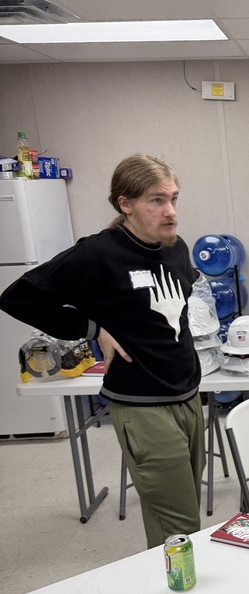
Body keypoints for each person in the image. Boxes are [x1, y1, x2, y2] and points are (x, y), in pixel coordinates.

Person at [0, 154, 205, 549]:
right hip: (144, 406)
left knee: (180, 510)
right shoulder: (98, 253)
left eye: (174, 199)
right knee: (179, 525)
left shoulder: (175, 247)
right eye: (156, 201)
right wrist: (91, 329)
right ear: (124, 204)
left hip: (187, 396)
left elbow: (171, 311)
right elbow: (18, 297)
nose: (171, 212)